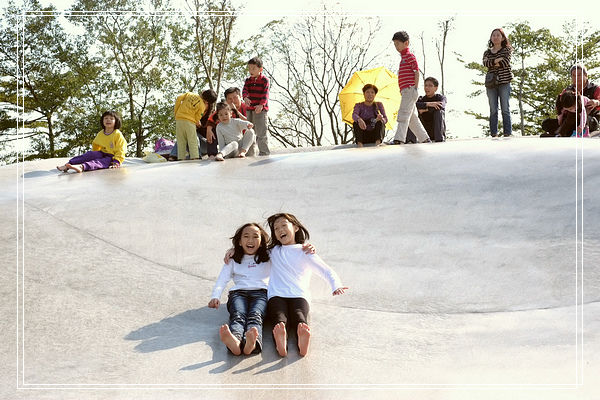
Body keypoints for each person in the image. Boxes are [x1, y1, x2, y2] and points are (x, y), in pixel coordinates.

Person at [266, 213, 348, 357]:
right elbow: (251, 252)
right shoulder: (273, 251)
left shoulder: (304, 251)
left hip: (299, 295)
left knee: (299, 315)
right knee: (279, 317)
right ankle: (281, 340)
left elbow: (325, 270)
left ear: (296, 227)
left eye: (284, 225)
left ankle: (301, 336)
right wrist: (233, 251)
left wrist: (336, 285)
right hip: (276, 295)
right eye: (276, 228)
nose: (280, 230)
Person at [208, 223, 271, 355]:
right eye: (246, 236)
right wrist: (215, 296)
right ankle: (235, 341)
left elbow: (286, 250)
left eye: (255, 236)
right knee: (238, 315)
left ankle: (251, 343)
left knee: (255, 315)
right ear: (240, 241)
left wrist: (306, 247)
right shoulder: (233, 259)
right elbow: (222, 279)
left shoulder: (268, 256)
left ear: (261, 241)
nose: (250, 240)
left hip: (261, 293)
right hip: (238, 294)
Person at [389, 31, 431, 145]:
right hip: (405, 91)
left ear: (406, 43)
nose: (396, 47)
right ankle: (425, 138)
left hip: (410, 89)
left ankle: (399, 139)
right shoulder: (402, 58)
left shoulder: (409, 56)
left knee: (403, 114)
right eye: (395, 44)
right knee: (412, 118)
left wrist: (415, 88)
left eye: (398, 44)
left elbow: (416, 72)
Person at [57, 110, 127, 173]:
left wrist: (116, 162)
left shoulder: (117, 134)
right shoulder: (101, 133)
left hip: (112, 157)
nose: (108, 120)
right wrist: (95, 154)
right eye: (106, 118)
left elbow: (121, 149)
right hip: (102, 153)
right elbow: (95, 144)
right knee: (89, 154)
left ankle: (82, 167)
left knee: (99, 162)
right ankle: (67, 165)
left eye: (111, 119)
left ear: (116, 122)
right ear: (102, 121)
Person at [541, 64, 600, 137]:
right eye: (574, 75)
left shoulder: (595, 88)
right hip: (568, 119)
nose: (576, 78)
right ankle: (563, 132)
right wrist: (560, 116)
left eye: (579, 75)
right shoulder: (567, 90)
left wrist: (596, 102)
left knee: (574, 118)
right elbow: (560, 104)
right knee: (546, 123)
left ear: (586, 75)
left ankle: (560, 133)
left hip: (589, 119)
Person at [169, 89, 217, 161]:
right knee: (182, 138)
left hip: (204, 145)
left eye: (205, 103)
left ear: (209, 104)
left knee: (192, 137)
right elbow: (197, 117)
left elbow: (179, 98)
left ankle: (195, 156)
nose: (202, 104)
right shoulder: (198, 104)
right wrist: (195, 120)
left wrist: (200, 126)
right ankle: (176, 156)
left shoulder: (211, 116)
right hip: (185, 122)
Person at [483, 28, 513, 138]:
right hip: (491, 83)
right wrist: (497, 60)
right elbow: (485, 63)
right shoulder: (487, 52)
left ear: (503, 37)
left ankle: (507, 133)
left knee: (505, 108)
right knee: (493, 109)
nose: (495, 37)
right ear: (491, 37)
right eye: (493, 35)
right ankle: (494, 133)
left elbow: (505, 62)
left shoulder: (507, 49)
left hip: (504, 81)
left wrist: (493, 62)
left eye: (498, 35)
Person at [242, 57, 270, 156]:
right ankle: (250, 153)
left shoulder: (264, 80)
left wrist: (261, 105)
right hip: (250, 110)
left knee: (261, 133)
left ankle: (264, 153)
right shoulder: (248, 81)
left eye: (253, 68)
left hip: (260, 110)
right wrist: (245, 98)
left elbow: (265, 94)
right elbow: (245, 90)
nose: (251, 71)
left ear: (260, 69)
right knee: (250, 132)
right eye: (249, 68)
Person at [406, 77, 447, 143]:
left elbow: (441, 106)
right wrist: (428, 104)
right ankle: (410, 140)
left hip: (436, 131)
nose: (427, 88)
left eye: (430, 86)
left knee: (439, 111)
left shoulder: (440, 97)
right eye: (426, 85)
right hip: (424, 133)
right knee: (412, 112)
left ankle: (439, 139)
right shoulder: (421, 99)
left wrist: (425, 110)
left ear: (436, 88)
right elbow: (413, 105)